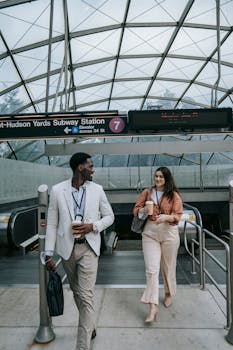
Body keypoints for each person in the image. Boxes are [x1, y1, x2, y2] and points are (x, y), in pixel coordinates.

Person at [44, 152, 114, 350]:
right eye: (90, 166)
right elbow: (52, 223)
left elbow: (110, 216)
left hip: (89, 248)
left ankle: (82, 346)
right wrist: (48, 252)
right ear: (80, 167)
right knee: (77, 291)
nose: (93, 169)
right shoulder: (57, 190)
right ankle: (90, 325)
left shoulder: (97, 190)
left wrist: (93, 226)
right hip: (67, 250)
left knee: (86, 295)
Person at [133, 166, 183, 323]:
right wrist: (142, 211)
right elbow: (135, 209)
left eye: (161, 177)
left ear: (167, 178)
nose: (158, 179)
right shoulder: (147, 192)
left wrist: (166, 217)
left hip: (169, 233)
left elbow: (178, 215)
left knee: (168, 267)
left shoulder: (173, 195)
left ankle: (168, 293)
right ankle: (153, 306)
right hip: (150, 232)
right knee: (151, 270)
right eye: (156, 176)